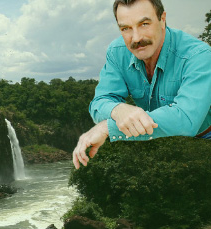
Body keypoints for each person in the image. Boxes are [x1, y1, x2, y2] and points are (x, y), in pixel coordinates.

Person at [73, 0, 211, 169]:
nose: (137, 38)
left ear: (162, 19)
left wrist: (108, 127)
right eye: (126, 28)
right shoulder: (117, 53)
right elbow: (99, 102)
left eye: (144, 24)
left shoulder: (198, 55)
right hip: (161, 140)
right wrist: (118, 110)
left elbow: (186, 121)